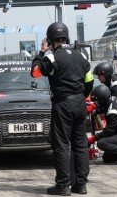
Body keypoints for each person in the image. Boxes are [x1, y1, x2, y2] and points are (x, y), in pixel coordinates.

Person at [31, 22, 94, 196]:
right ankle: (81, 185)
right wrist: (81, 96)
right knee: (80, 145)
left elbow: (35, 72)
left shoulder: (52, 57)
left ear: (50, 40)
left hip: (63, 105)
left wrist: (41, 52)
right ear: (67, 37)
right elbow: (89, 81)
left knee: (61, 145)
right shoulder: (81, 57)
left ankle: (63, 185)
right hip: (80, 104)